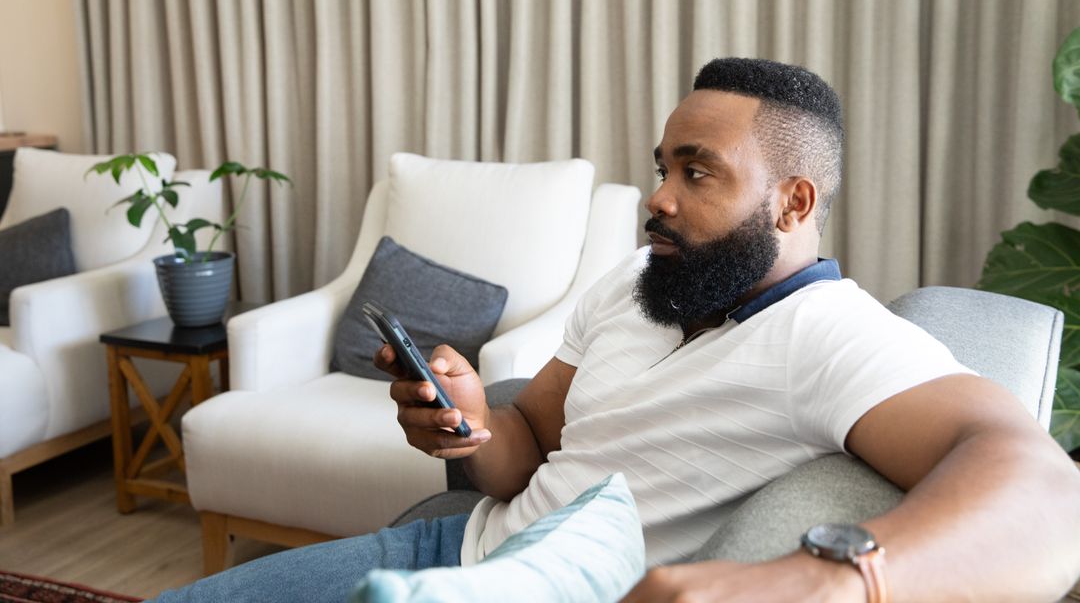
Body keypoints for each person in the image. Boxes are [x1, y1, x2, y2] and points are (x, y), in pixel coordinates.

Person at [155, 58, 1080, 602]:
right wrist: (471, 425)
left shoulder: (829, 335)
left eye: (696, 172)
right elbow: (529, 444)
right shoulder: (638, 282)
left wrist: (824, 580)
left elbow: (1045, 491)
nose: (658, 198)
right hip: (460, 547)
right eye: (661, 168)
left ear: (793, 203)